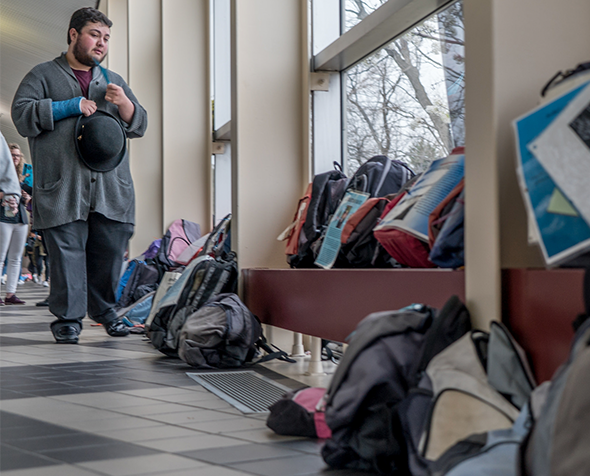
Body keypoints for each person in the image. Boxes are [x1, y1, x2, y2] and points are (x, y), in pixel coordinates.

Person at [11, 7, 148, 343]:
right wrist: (69, 106)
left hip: (109, 189)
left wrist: (126, 105)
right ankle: (68, 320)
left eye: (105, 38)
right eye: (94, 35)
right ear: (73, 34)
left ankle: (105, 313)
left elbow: (139, 124)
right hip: (62, 186)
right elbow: (21, 114)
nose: (100, 43)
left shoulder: (113, 80)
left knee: (109, 252)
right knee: (66, 254)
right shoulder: (42, 75)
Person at [0, 142, 30, 305]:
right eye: (12, 155)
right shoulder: (2, 174)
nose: (15, 158)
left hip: (20, 219)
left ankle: (11, 293)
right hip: (3, 217)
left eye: (18, 155)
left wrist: (25, 197)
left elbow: (28, 201)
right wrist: (7, 193)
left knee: (16, 257)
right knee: (1, 256)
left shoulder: (23, 177)